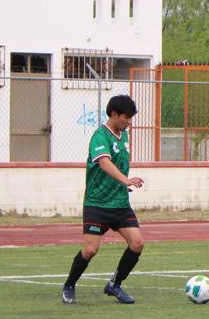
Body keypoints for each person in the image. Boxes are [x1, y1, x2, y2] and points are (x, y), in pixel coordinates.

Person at [61, 94, 146, 305]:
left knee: (137, 243)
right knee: (90, 249)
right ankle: (69, 284)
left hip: (119, 204)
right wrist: (125, 180)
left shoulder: (123, 135)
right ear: (114, 114)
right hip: (97, 204)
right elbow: (104, 163)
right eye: (126, 117)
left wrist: (123, 186)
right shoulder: (100, 135)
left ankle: (114, 285)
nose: (129, 122)